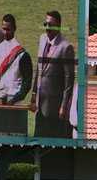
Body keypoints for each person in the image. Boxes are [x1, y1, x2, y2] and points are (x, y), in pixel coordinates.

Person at [31, 10, 75, 138]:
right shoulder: (42, 39)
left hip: (55, 109)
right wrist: (34, 93)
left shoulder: (66, 47)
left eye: (51, 25)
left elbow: (69, 80)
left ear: (59, 26)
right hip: (40, 106)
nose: (47, 28)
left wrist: (64, 106)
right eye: (45, 24)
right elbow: (39, 69)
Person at [0, 14, 33, 105]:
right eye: (3, 29)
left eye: (8, 29)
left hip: (14, 101)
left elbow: (27, 82)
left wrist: (16, 98)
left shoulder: (22, 54)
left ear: (14, 29)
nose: (5, 32)